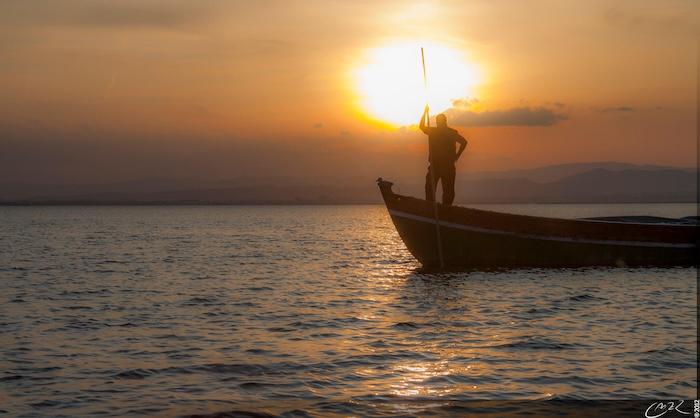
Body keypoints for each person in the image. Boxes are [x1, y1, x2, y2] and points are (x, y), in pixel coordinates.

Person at [419, 105, 467, 205]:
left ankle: (446, 210)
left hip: (447, 166)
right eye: (437, 122)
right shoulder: (433, 131)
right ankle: (431, 208)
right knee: (430, 189)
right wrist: (425, 112)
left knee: (448, 192)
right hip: (435, 166)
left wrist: (457, 156)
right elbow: (422, 127)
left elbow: (464, 142)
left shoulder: (451, 133)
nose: (438, 124)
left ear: (445, 122)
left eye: (440, 122)